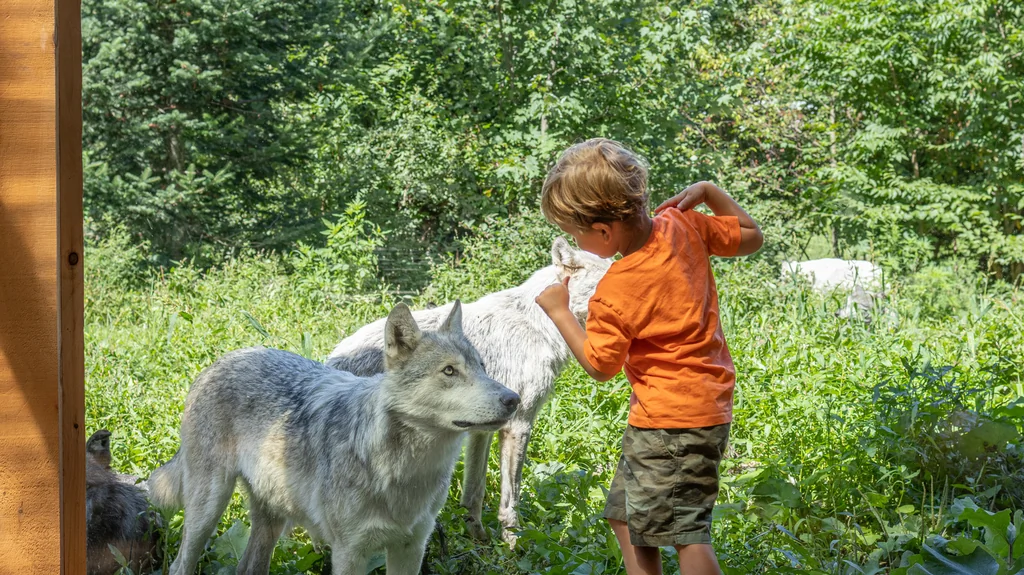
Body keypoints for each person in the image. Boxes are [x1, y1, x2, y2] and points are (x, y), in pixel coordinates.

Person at [534, 138, 763, 575]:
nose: (574, 241)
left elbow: (601, 366)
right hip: (689, 409)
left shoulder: (616, 290)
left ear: (603, 232)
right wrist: (710, 192)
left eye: (575, 233)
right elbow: (751, 238)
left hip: (672, 421)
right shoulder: (683, 224)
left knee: (684, 533)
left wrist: (561, 312)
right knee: (625, 515)